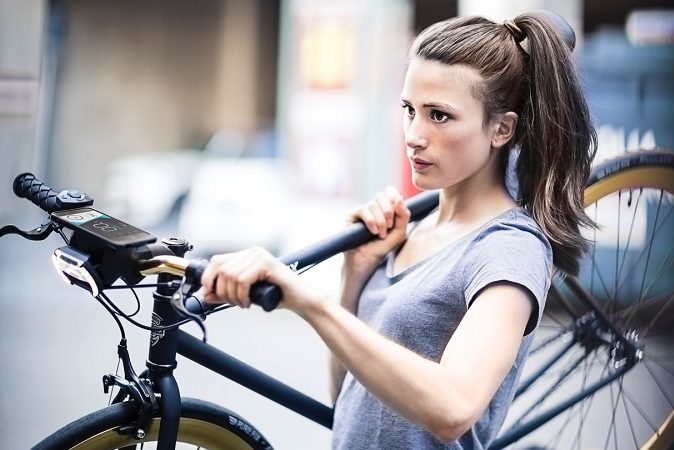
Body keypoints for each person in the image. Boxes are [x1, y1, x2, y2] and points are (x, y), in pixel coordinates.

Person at [201, 11, 596, 449]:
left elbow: (452, 410)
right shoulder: (413, 230)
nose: (413, 135)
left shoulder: (509, 250)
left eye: (439, 116)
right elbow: (350, 393)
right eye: (409, 110)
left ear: (501, 128)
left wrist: (305, 299)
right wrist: (355, 274)